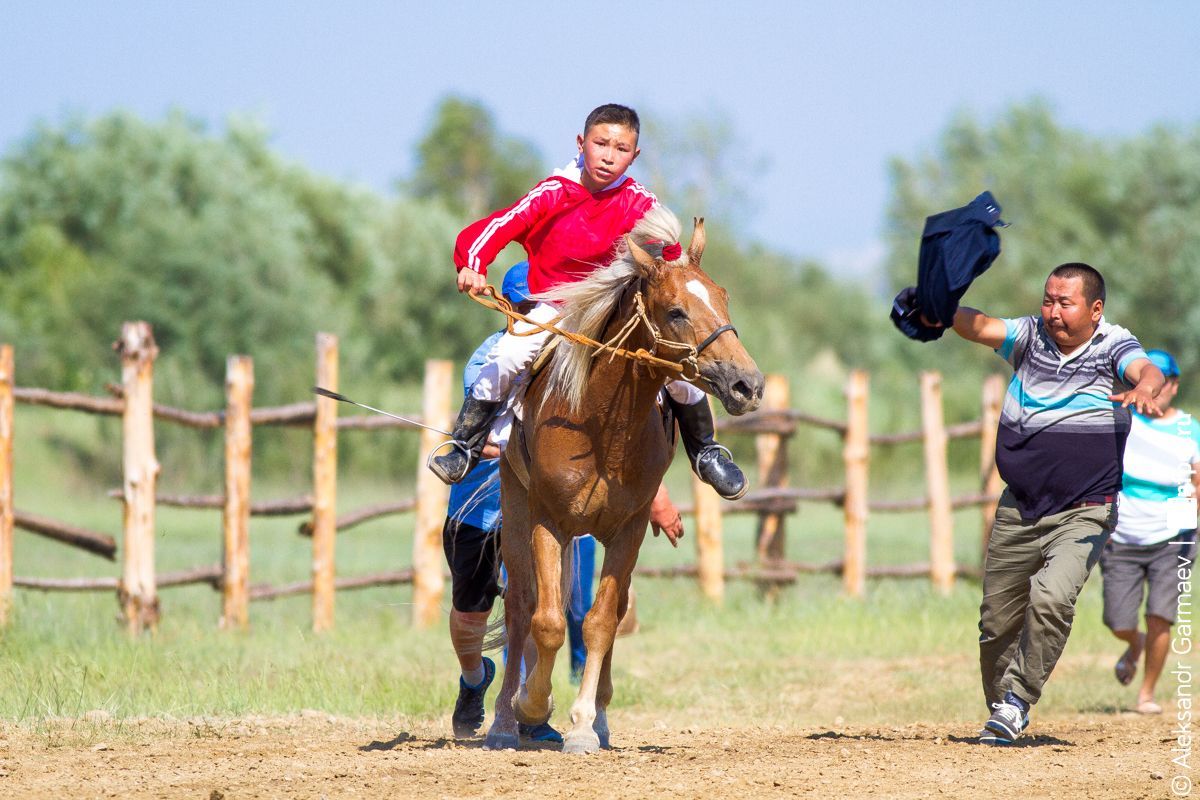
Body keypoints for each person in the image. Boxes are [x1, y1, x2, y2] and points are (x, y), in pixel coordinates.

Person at [428, 103, 747, 501]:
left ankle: (705, 451)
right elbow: (498, 225)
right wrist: (472, 263)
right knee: (510, 354)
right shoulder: (553, 193)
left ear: (635, 156)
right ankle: (465, 444)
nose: (609, 156)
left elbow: (671, 264)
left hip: (613, 313)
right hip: (555, 307)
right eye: (601, 144)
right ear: (582, 143)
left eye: (621, 148)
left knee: (678, 366)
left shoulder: (639, 203)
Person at [446, 263, 685, 742]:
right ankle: (475, 679)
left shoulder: (569, 357)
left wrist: (652, 488)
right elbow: (501, 431)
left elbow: (615, 444)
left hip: (556, 495)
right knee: (474, 611)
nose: (539, 317)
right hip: (479, 504)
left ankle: (529, 711)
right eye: (529, 308)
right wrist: (483, 440)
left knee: (542, 601)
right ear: (511, 309)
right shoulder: (493, 357)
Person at [946, 262, 1164, 745]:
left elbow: (1141, 368)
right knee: (995, 623)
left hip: (1085, 508)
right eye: (1048, 299)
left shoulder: (1113, 344)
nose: (1052, 312)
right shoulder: (1029, 337)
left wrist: (1146, 387)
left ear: (1095, 308)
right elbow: (979, 325)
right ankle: (1003, 709)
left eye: (1064, 303)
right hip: (1020, 504)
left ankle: (1018, 701)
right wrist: (938, 309)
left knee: (1051, 596)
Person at [1100, 348, 1200, 715]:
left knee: (1161, 614)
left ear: (1173, 386)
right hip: (1121, 535)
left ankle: (1146, 694)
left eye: (1161, 382)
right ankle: (1134, 642)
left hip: (1173, 538)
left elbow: (1198, 483)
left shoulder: (1190, 430)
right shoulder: (1121, 419)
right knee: (1117, 619)